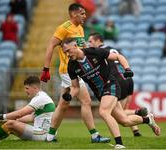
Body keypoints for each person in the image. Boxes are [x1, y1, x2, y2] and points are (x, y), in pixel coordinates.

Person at [61, 38, 161, 149]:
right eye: (64, 52)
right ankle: (148, 119)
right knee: (124, 121)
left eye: (68, 51)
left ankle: (119, 144)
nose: (67, 54)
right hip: (101, 93)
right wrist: (70, 95)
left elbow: (118, 56)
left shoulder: (94, 52)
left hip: (111, 85)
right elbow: (75, 87)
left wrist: (127, 69)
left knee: (103, 112)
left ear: (75, 46)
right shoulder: (71, 66)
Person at [40, 3, 110, 143]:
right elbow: (51, 45)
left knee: (63, 104)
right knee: (86, 100)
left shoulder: (80, 28)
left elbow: (82, 48)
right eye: (82, 13)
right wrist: (46, 68)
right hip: (68, 70)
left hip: (77, 70)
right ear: (73, 14)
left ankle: (50, 135)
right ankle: (95, 135)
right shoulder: (63, 28)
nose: (85, 16)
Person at [88, 32, 144, 136]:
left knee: (119, 113)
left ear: (98, 41)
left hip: (117, 80)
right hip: (127, 79)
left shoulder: (99, 51)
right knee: (123, 110)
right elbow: (120, 58)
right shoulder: (112, 48)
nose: (89, 44)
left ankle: (139, 113)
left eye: (91, 41)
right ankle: (135, 130)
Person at [0, 76, 55, 141]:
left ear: (35, 88)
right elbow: (31, 117)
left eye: (27, 88)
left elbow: (20, 113)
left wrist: (0, 117)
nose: (25, 91)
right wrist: (16, 120)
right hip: (43, 132)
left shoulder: (40, 98)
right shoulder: (41, 96)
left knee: (11, 124)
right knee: (11, 123)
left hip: (44, 134)